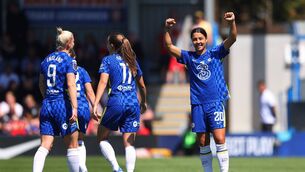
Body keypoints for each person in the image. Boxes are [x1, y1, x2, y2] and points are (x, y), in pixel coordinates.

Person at [164, 11, 237, 172]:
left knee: (219, 138)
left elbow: (232, 38)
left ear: (206, 40)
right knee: (203, 142)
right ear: (192, 42)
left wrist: (232, 22)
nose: (198, 41)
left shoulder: (216, 53)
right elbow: (169, 46)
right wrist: (167, 30)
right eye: (195, 39)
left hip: (216, 102)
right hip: (198, 104)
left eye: (200, 39)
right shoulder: (188, 57)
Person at [93, 33, 147, 172]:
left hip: (116, 101)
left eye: (107, 43)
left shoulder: (108, 60)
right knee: (129, 144)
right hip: (132, 103)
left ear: (112, 45)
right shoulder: (132, 60)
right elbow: (142, 85)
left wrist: (95, 103)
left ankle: (116, 168)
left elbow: (103, 82)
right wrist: (144, 102)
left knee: (101, 138)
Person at [33, 27, 79, 172]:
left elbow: (41, 83)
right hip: (61, 104)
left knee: (45, 145)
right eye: (73, 40)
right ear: (69, 43)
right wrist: (75, 107)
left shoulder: (46, 59)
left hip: (46, 104)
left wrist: (46, 97)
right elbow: (71, 84)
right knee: (72, 145)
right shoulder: (69, 60)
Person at [69, 49, 96, 172]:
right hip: (84, 108)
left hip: (71, 108)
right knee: (80, 139)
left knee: (72, 143)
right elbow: (89, 91)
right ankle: (82, 168)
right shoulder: (82, 70)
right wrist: (95, 107)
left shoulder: (64, 71)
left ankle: (79, 168)